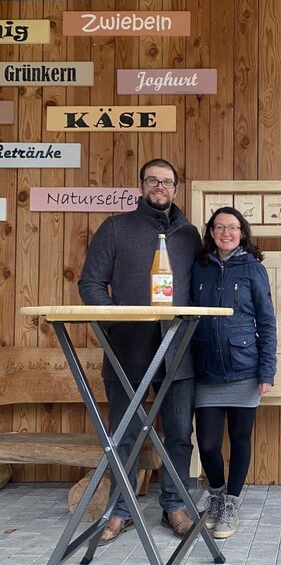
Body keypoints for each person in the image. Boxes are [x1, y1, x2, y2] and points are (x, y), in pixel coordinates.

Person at [78, 158, 201, 543]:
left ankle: (175, 505)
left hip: (178, 351)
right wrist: (116, 322)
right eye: (153, 180)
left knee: (179, 433)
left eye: (167, 182)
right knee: (124, 433)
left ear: (176, 188)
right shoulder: (115, 228)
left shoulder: (190, 235)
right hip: (127, 350)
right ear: (141, 185)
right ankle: (120, 510)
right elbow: (90, 284)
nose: (160, 187)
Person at [192, 206, 276, 538]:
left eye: (232, 227)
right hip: (206, 368)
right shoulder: (199, 267)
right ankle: (216, 493)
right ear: (211, 233)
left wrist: (267, 370)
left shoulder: (253, 269)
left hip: (244, 367)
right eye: (219, 227)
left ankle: (231, 503)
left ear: (242, 233)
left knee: (240, 439)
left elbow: (267, 322)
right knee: (208, 443)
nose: (226, 233)